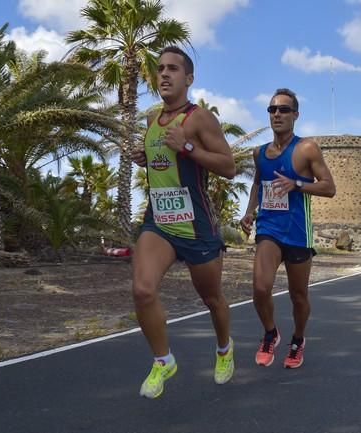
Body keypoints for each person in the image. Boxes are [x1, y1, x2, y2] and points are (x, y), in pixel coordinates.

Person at [130, 46, 236, 398]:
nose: (164, 74)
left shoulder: (200, 119)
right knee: (143, 290)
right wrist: (145, 157)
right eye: (160, 68)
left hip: (196, 224)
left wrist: (188, 148)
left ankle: (224, 349)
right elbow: (162, 159)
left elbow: (229, 167)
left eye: (173, 68)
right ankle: (163, 361)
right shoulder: (150, 120)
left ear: (188, 79)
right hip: (158, 220)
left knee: (212, 299)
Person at [240, 88, 336, 369]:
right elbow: (258, 183)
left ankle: (297, 340)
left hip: (298, 232)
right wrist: (249, 212)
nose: (277, 114)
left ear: (295, 114)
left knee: (298, 296)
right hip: (268, 228)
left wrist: (297, 184)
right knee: (260, 288)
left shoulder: (307, 148)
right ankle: (270, 333)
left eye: (283, 109)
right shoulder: (259, 153)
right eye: (272, 110)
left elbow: (329, 187)